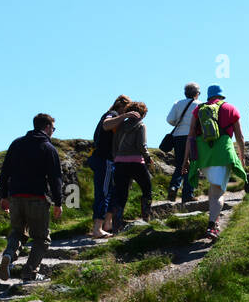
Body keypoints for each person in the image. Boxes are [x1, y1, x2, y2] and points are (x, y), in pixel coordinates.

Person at [0, 113, 63, 282]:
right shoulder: (48, 148)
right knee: (41, 238)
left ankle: (9, 255)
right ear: (47, 127)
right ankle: (30, 271)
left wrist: (4, 196)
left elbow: (4, 173)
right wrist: (58, 202)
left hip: (16, 197)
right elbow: (55, 178)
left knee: (17, 232)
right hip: (37, 198)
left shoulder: (16, 144)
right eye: (53, 128)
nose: (53, 132)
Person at [184, 84, 246, 242]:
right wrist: (242, 156)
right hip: (222, 153)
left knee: (214, 188)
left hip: (203, 155)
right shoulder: (230, 108)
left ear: (208, 96)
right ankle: (211, 225)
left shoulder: (199, 110)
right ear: (222, 96)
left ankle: (215, 222)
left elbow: (190, 136)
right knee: (219, 191)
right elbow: (240, 137)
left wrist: (186, 159)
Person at [102, 100, 153, 228]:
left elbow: (114, 145)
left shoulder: (119, 126)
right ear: (142, 114)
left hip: (119, 163)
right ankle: (147, 218)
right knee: (147, 188)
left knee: (121, 194)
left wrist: (117, 158)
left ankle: (117, 226)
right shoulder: (141, 125)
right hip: (136, 162)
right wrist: (147, 157)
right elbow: (141, 145)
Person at [85, 94, 129, 238]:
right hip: (104, 160)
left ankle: (107, 224)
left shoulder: (113, 114)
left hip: (103, 159)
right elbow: (106, 125)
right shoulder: (112, 114)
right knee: (103, 193)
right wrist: (124, 116)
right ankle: (97, 229)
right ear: (122, 107)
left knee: (110, 192)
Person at [165, 82, 201, 204]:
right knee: (192, 164)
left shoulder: (177, 103)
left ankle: (174, 186)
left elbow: (169, 119)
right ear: (196, 94)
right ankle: (187, 195)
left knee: (180, 163)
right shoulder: (199, 105)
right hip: (193, 137)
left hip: (178, 136)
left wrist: (178, 124)